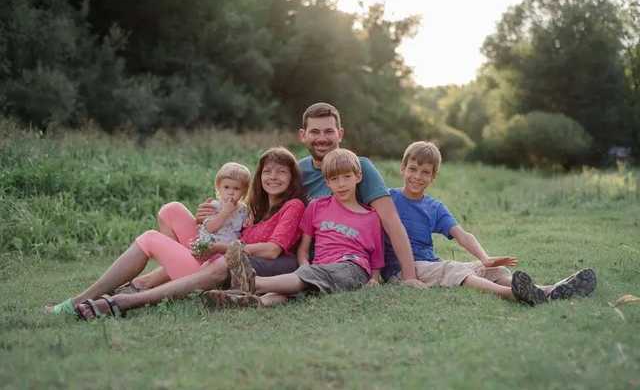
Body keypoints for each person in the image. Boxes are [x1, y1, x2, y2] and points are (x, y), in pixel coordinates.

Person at [47, 147, 306, 318]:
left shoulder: (292, 205)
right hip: (212, 255)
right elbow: (225, 229)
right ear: (259, 177)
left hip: (219, 264)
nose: (273, 177)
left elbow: (272, 250)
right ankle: (154, 280)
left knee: (149, 238)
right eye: (268, 172)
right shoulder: (251, 208)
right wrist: (205, 219)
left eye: (281, 172)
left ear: (291, 178)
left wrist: (217, 247)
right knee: (172, 209)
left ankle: (79, 301)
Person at [382, 141, 597, 306]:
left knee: (495, 271)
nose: (417, 176)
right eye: (412, 169)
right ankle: (515, 294)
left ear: (434, 176)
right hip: (402, 269)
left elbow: (463, 235)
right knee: (455, 269)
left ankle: (548, 290)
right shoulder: (387, 198)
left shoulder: (434, 207)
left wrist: (484, 259)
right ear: (402, 168)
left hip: (430, 264)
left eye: (425, 172)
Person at [202, 148, 384, 307]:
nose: (341, 184)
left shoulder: (370, 216)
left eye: (347, 177)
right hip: (318, 267)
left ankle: (254, 283)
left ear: (358, 176)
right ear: (327, 183)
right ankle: (251, 302)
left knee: (306, 278)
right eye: (335, 179)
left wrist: (374, 279)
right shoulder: (318, 207)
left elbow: (376, 255)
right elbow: (304, 248)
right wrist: (304, 264)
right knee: (294, 290)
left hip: (351, 266)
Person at [296, 102, 425, 288]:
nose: (322, 138)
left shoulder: (359, 167)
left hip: (347, 262)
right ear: (303, 135)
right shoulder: (299, 170)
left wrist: (409, 276)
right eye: (315, 132)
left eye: (329, 131)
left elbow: (391, 221)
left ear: (340, 133)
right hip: (306, 258)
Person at [189, 162, 251, 258]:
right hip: (209, 245)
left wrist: (248, 221)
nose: (231, 192)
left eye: (236, 188)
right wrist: (225, 212)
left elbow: (245, 228)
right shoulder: (215, 206)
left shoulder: (243, 210)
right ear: (219, 187)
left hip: (228, 248)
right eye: (226, 187)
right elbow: (210, 228)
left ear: (244, 191)